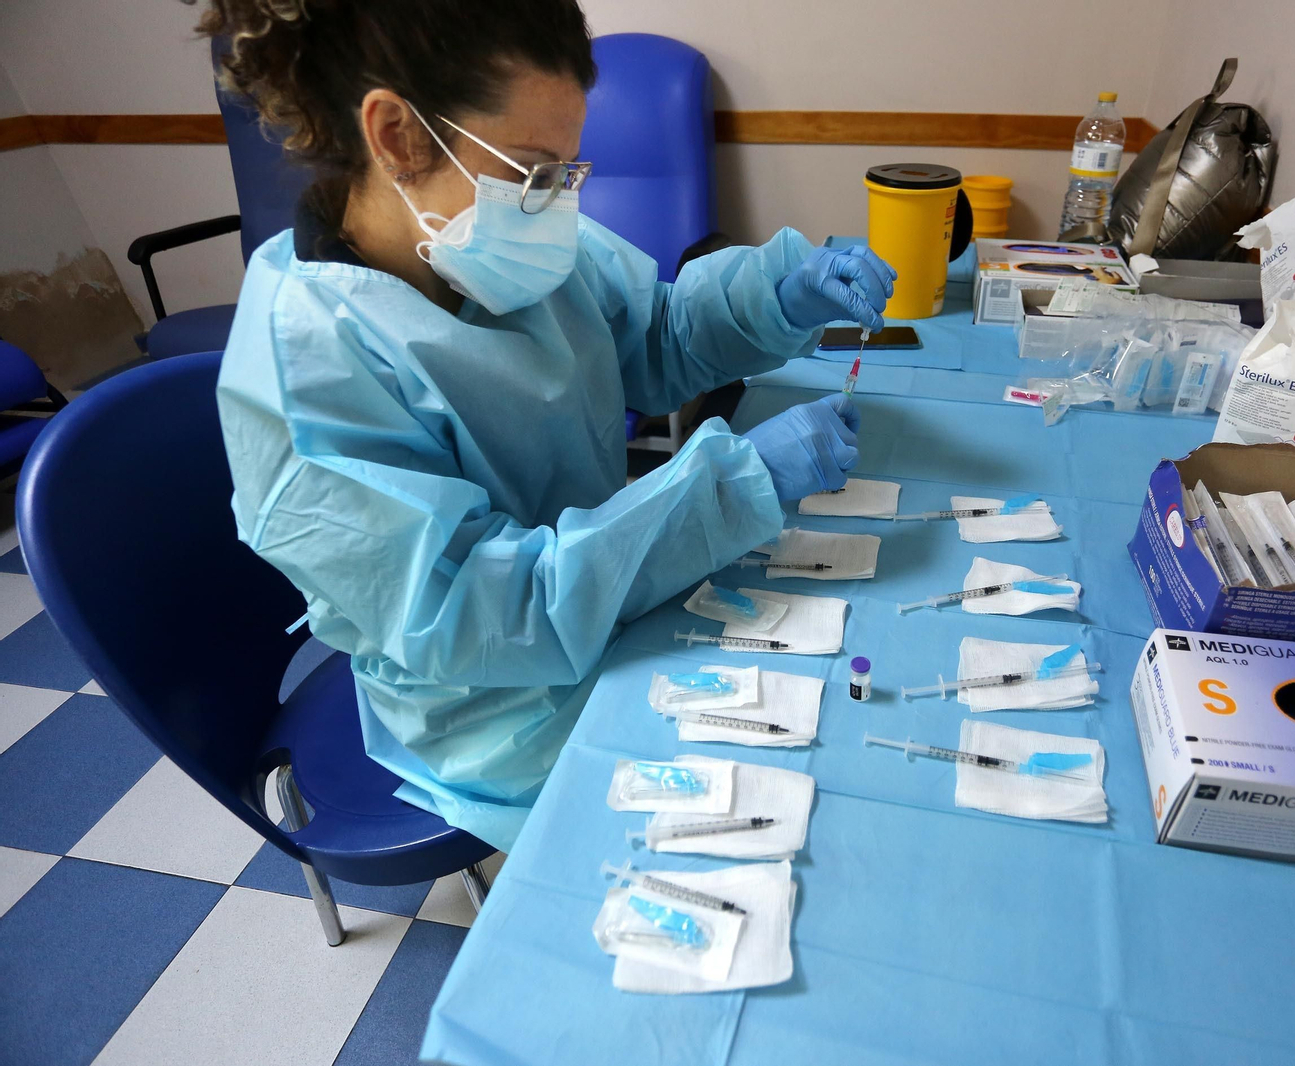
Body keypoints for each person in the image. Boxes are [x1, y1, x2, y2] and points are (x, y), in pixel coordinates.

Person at [199, 0, 896, 851]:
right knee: (791, 801)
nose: (556, 201)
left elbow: (651, 335)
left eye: (567, 170)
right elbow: (482, 610)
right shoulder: (306, 370)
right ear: (397, 136)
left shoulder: (501, 234)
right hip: (497, 704)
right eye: (534, 170)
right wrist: (734, 485)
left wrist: (775, 296)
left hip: (618, 588)